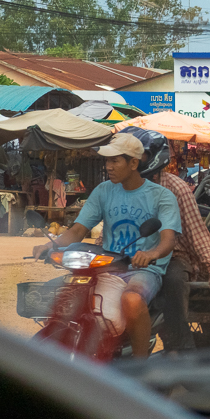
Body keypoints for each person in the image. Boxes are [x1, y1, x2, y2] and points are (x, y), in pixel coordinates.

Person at [32, 132, 181, 359]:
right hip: (107, 267)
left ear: (133, 163)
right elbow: (78, 230)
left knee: (132, 299)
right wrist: (50, 245)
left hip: (143, 270)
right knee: (61, 296)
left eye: (115, 161)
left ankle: (139, 363)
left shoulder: (162, 196)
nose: (108, 166)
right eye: (107, 160)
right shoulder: (103, 191)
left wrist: (151, 254)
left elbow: (168, 240)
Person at [127, 129, 210, 353]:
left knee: (172, 285)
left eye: (137, 155)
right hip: (130, 254)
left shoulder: (175, 188)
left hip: (174, 257)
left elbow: (197, 232)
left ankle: (180, 349)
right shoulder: (119, 187)